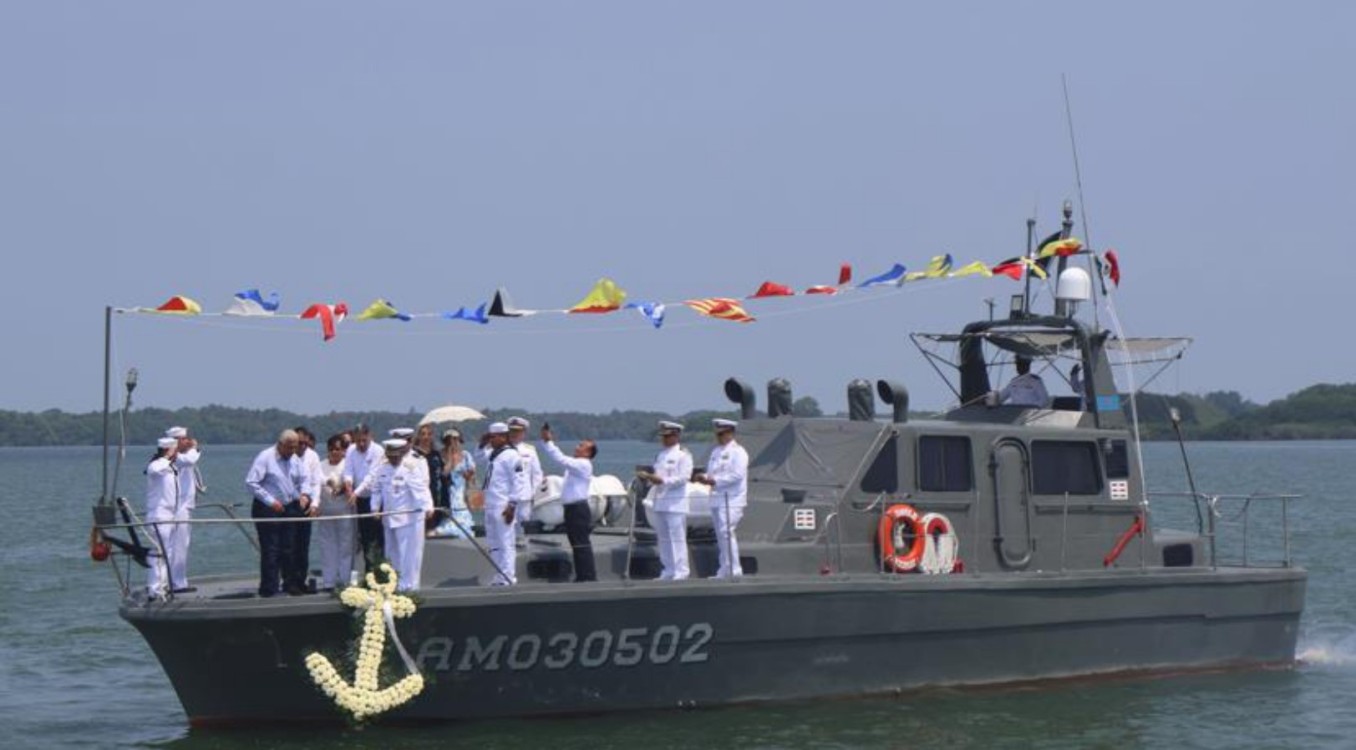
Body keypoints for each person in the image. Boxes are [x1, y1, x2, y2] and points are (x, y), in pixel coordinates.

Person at [356, 438, 435, 591]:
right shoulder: (382, 469)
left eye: (396, 456)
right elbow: (376, 490)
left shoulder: (409, 469)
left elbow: (420, 490)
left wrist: (428, 507)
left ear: (401, 454)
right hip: (388, 519)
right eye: (390, 456)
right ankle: (394, 585)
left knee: (407, 555)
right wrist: (375, 508)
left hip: (405, 519)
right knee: (391, 554)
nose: (393, 459)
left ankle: (409, 587)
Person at [245, 430, 307, 597]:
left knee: (290, 547)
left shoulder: (295, 459)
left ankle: (290, 584)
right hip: (267, 508)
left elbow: (303, 479)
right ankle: (269, 588)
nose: (292, 451)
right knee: (271, 549)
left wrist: (304, 494)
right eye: (289, 448)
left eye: (295, 447)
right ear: (280, 444)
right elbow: (251, 483)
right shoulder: (265, 457)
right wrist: (271, 501)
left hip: (289, 506)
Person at [539, 425, 599, 582]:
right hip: (572, 509)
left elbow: (560, 459)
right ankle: (583, 575)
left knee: (581, 544)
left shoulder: (583, 464)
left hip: (578, 509)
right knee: (576, 543)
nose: (577, 447)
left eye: (581, 446)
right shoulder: (576, 466)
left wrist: (549, 442)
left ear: (588, 453)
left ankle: (587, 576)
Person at [637, 421, 693, 581]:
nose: (664, 439)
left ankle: (681, 571)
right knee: (663, 539)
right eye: (663, 436)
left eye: (668, 436)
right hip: (660, 501)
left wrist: (662, 480)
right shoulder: (660, 455)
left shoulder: (683, 455)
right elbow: (657, 477)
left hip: (675, 503)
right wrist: (648, 478)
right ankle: (668, 569)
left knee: (677, 538)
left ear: (676, 436)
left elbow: (684, 478)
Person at [694, 418, 749, 578]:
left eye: (722, 434)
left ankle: (734, 570)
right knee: (720, 535)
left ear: (730, 433)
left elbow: (737, 475)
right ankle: (724, 569)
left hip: (732, 499)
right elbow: (713, 473)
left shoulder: (739, 452)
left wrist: (714, 481)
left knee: (726, 532)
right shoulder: (716, 452)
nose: (718, 437)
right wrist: (703, 477)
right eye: (717, 434)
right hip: (716, 498)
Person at [479, 422, 526, 586]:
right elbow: (478, 457)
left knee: (506, 542)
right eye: (490, 437)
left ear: (503, 437)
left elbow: (518, 482)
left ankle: (508, 577)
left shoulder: (511, 455)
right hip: (490, 504)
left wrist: (512, 505)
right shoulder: (494, 454)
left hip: (503, 505)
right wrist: (482, 443)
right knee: (494, 543)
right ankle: (499, 575)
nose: (491, 440)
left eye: (493, 437)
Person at [315, 433, 357, 590]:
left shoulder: (348, 465)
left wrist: (341, 489)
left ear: (343, 450)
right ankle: (329, 581)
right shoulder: (320, 465)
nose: (334, 452)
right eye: (331, 449)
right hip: (326, 512)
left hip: (344, 511)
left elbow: (350, 483)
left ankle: (345, 580)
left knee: (345, 547)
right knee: (327, 547)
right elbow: (317, 483)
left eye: (337, 449)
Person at [343, 424, 385, 571]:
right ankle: (369, 572)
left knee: (378, 538)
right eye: (358, 441)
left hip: (376, 499)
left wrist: (355, 492)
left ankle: (381, 571)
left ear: (370, 437)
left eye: (364, 441)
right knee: (366, 537)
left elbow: (371, 477)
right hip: (360, 499)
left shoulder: (378, 450)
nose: (361, 444)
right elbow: (348, 471)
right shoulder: (351, 450)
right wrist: (348, 484)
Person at [165, 426, 201, 593]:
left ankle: (174, 580)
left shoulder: (180, 456)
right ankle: (177, 583)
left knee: (179, 545)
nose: (188, 441)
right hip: (178, 507)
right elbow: (190, 460)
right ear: (177, 441)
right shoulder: (175, 458)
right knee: (179, 545)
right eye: (184, 439)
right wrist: (194, 448)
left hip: (183, 505)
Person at [144, 436, 179, 599]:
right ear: (168, 450)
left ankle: (162, 585)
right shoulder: (157, 464)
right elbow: (153, 469)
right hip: (159, 515)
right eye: (174, 449)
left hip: (170, 515)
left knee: (167, 552)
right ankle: (154, 589)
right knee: (158, 552)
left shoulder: (170, 466)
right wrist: (167, 458)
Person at [291, 426, 323, 593]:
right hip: (289, 502)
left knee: (303, 545)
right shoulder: (287, 454)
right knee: (288, 545)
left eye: (305, 443)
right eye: (299, 443)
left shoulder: (312, 456)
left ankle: (300, 580)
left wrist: (315, 504)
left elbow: (316, 482)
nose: (302, 446)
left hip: (306, 503)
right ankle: (289, 581)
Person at [433, 428, 476, 537]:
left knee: (463, 524)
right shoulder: (439, 455)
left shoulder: (466, 455)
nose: (453, 443)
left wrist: (469, 478)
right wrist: (450, 458)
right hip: (446, 493)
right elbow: (444, 474)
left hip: (460, 493)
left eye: (456, 439)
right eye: (449, 440)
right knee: (444, 526)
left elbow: (471, 479)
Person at [507, 417, 544, 541]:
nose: (514, 434)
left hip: (524, 496)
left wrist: (535, 495)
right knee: (506, 526)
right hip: (506, 495)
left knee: (524, 524)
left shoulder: (530, 450)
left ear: (524, 433)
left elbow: (537, 474)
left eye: (518, 431)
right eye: (512, 430)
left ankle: (524, 546)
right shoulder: (502, 449)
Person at [412, 424, 448, 535]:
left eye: (429, 434)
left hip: (435, 492)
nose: (426, 437)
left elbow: (442, 472)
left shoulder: (435, 454)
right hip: (420, 492)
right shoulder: (414, 454)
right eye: (423, 434)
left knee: (433, 523)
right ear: (418, 436)